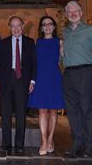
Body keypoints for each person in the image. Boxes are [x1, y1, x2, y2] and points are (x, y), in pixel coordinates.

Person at [61, 0, 92, 159]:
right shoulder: (64, 32)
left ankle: (90, 146)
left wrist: (91, 63)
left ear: (81, 13)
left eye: (76, 11)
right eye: (70, 12)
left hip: (85, 73)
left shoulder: (90, 30)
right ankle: (77, 144)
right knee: (72, 111)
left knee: (88, 110)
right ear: (66, 15)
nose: (73, 14)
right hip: (68, 75)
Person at [0, 16, 37, 154]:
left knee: (20, 114)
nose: (16, 29)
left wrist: (32, 81)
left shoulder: (30, 42)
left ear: (22, 26)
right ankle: (6, 144)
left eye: (18, 26)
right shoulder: (3, 43)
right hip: (6, 80)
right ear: (9, 28)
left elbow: (34, 64)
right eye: (13, 26)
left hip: (22, 81)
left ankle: (19, 144)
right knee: (5, 114)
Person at [28, 16, 65, 155]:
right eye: (44, 24)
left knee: (53, 110)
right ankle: (43, 141)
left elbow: (65, 60)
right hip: (41, 78)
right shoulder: (37, 43)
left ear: (54, 27)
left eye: (50, 24)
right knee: (42, 110)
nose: (47, 26)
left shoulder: (60, 42)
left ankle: (50, 139)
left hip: (54, 78)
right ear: (41, 28)